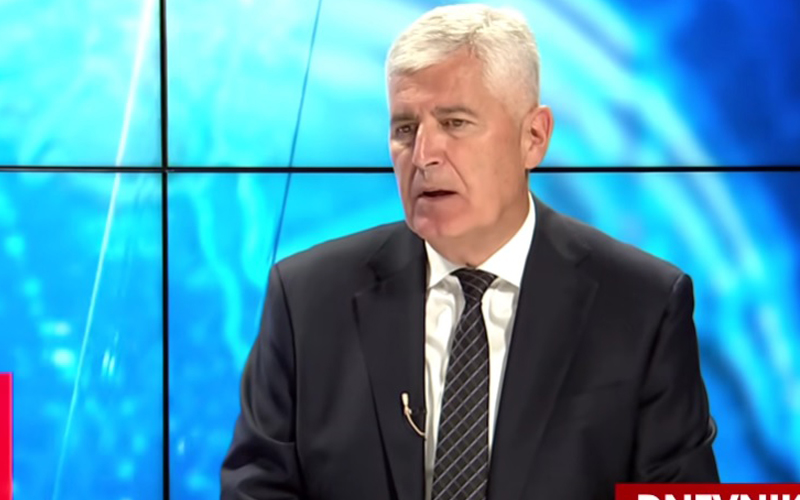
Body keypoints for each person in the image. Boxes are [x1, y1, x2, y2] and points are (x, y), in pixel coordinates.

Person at [220, 4, 719, 499]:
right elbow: (256, 489)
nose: (423, 156)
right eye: (405, 129)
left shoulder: (642, 306)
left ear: (534, 137)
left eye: (455, 123)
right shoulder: (307, 300)